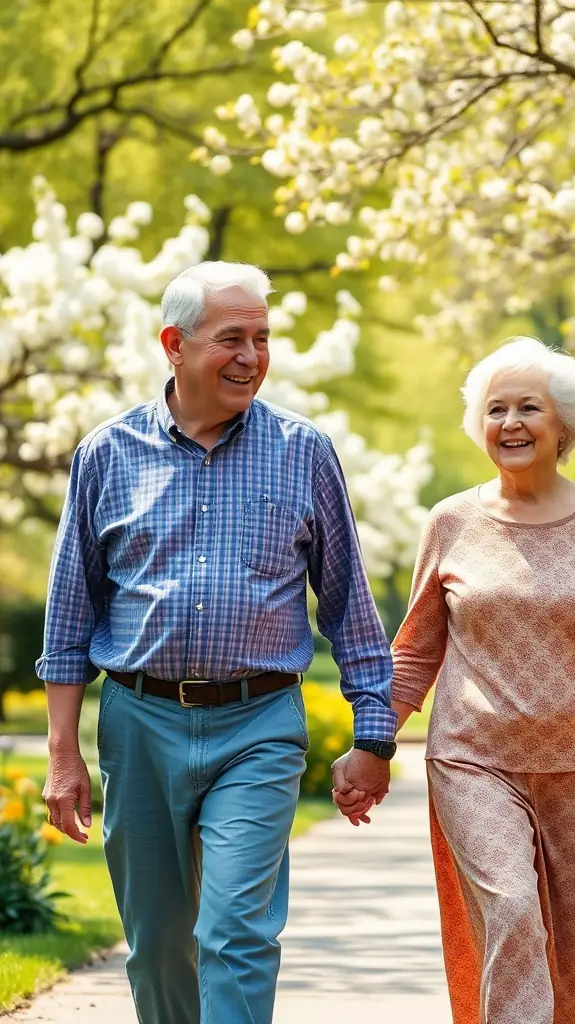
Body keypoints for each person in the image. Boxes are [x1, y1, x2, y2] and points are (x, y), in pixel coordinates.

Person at [36, 261, 397, 1024]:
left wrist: (374, 736)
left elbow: (349, 609)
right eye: (232, 338)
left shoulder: (304, 451)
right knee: (160, 945)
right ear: (174, 344)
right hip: (140, 723)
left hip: (258, 725)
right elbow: (69, 618)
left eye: (262, 338)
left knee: (235, 933)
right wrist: (63, 755)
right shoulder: (107, 454)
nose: (251, 356)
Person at [336, 337, 575, 1024]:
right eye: (496, 409)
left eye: (529, 407)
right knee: (513, 912)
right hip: (474, 759)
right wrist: (371, 747)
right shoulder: (451, 522)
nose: (511, 423)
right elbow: (415, 654)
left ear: (564, 425)